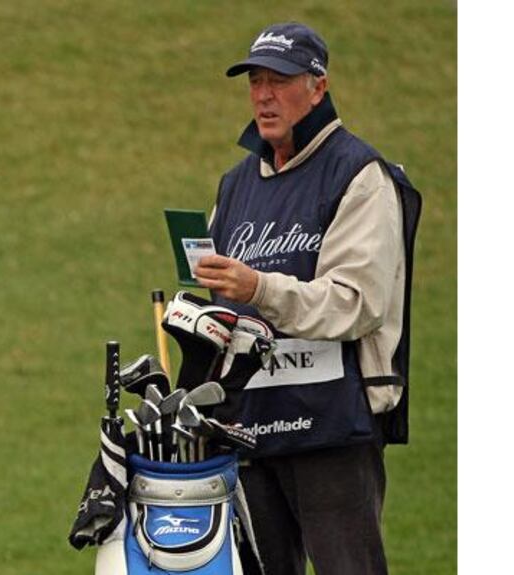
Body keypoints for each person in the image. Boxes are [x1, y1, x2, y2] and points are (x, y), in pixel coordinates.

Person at [193, 23, 421, 575]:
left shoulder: (359, 174)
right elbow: (225, 305)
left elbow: (356, 303)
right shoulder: (235, 184)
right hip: (250, 423)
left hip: (333, 425)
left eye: (280, 81)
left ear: (318, 87)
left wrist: (259, 287)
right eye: (255, 82)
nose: (264, 96)